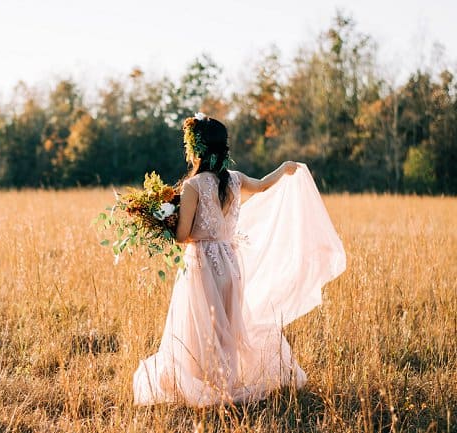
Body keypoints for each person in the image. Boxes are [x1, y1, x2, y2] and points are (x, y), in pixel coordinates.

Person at [133, 113, 346, 407]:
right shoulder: (234, 180)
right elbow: (262, 185)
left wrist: (167, 219)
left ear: (196, 149)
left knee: (202, 324)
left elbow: (183, 236)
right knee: (229, 323)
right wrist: (284, 168)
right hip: (230, 261)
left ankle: (206, 382)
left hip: (202, 263)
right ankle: (226, 379)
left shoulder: (193, 186)